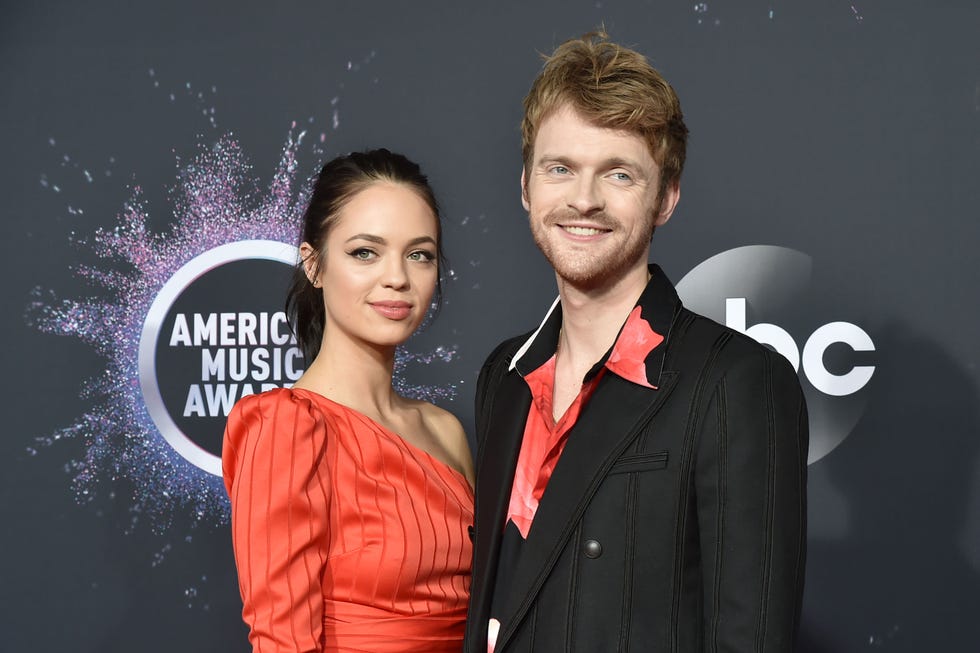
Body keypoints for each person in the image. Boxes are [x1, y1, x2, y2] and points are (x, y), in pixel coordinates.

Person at [465, 32, 808, 652]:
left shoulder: (737, 382)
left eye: (618, 173)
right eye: (560, 168)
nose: (584, 199)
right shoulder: (504, 376)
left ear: (666, 197)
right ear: (526, 185)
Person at [223, 149, 475, 653]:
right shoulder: (286, 426)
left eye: (419, 254)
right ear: (313, 265)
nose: (397, 278)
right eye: (365, 252)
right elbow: (282, 641)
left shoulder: (445, 429)